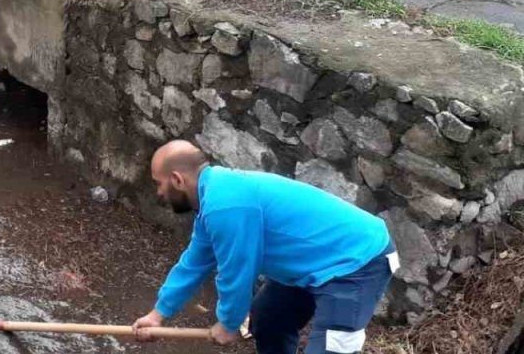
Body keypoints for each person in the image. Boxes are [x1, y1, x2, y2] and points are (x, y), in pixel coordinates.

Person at [132, 141, 398, 354]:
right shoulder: (212, 200)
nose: (159, 192)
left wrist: (228, 323)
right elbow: (194, 263)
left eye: (159, 183)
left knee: (332, 347)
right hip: (310, 265)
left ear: (177, 179)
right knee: (269, 319)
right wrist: (158, 314)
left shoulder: (225, 204)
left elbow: (236, 271)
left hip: (356, 263)